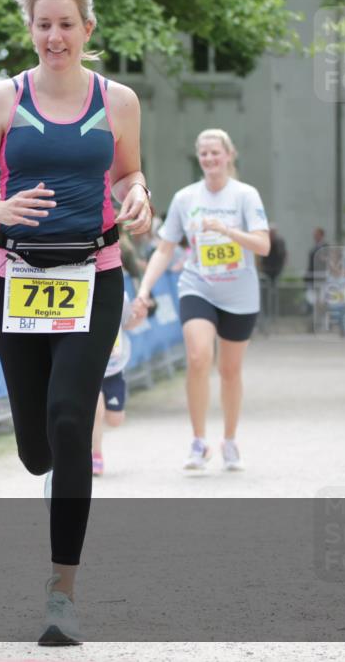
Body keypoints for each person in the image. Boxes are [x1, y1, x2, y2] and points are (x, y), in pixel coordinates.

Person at [0, 0, 152, 645]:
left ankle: (62, 594)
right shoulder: (3, 98)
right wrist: (0, 210)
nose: (55, 36)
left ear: (87, 28)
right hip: (17, 279)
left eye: (67, 24)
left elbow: (128, 174)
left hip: (94, 275)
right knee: (36, 449)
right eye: (44, 25)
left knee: (69, 421)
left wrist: (139, 195)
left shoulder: (118, 100)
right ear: (30, 29)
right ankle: (54, 466)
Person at [132, 128, 270, 471]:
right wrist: (144, 289)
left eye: (215, 152)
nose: (209, 159)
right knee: (198, 357)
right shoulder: (185, 198)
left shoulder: (245, 196)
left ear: (229, 155)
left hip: (239, 293)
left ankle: (230, 440)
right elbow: (165, 249)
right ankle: (198, 442)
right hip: (199, 286)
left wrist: (227, 231)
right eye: (204, 153)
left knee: (230, 370)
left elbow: (263, 245)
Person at [90, 294, 145, 476]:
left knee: (115, 420)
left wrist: (139, 317)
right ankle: (95, 455)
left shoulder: (120, 294)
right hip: (89, 365)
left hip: (114, 367)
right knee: (96, 409)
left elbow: (127, 323)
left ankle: (92, 430)